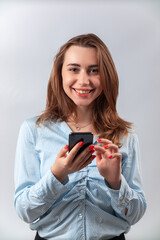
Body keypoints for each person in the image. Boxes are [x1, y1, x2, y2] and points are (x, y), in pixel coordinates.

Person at [14, 33, 147, 240]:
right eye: (74, 69)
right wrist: (56, 175)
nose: (84, 80)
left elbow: (135, 214)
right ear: (60, 74)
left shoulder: (125, 135)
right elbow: (25, 211)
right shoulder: (33, 130)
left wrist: (115, 182)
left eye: (94, 70)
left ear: (107, 75)